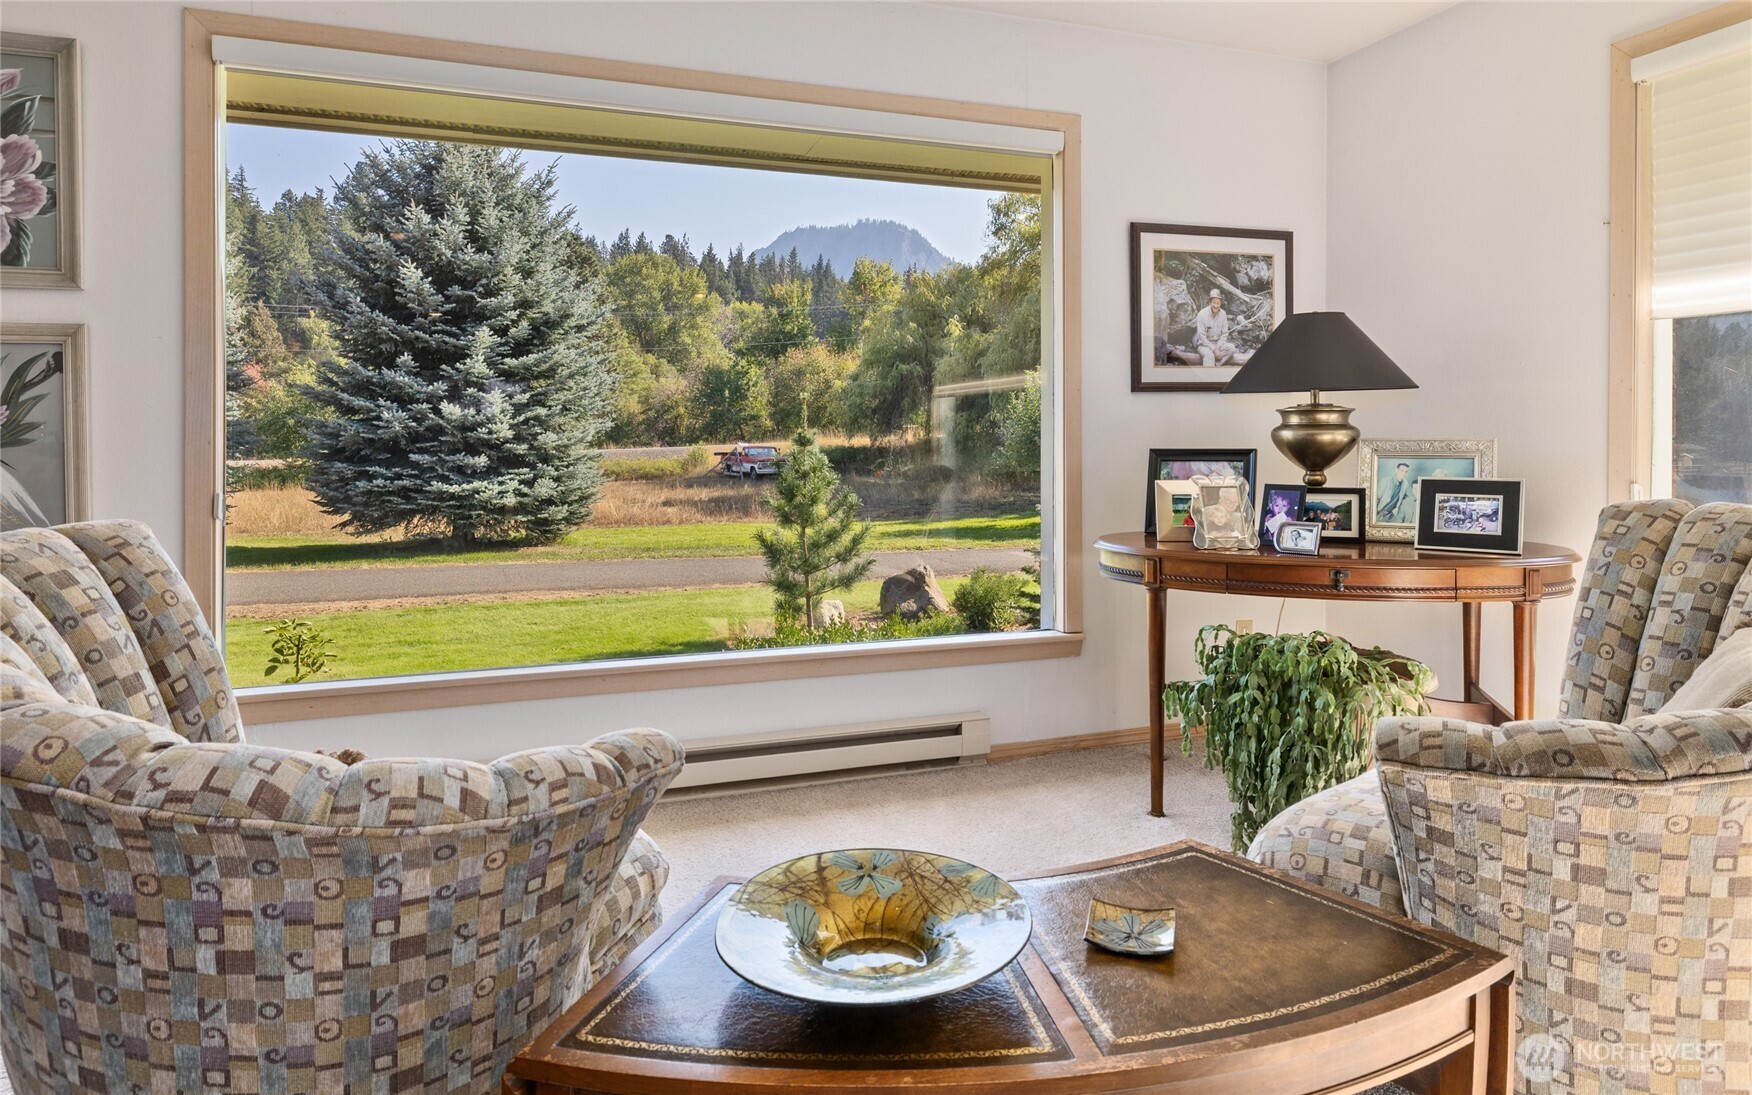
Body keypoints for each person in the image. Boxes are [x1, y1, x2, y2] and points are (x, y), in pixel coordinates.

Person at [1194, 289, 1238, 367]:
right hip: (1204, 345)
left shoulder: (1223, 314)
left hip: (1217, 343)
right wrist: (1214, 350)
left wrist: (1217, 347)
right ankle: (1208, 375)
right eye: (1214, 302)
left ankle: (1215, 365)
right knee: (1209, 356)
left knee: (1231, 348)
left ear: (1220, 303)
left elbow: (1224, 334)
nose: (1216, 305)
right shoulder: (1202, 314)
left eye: (1218, 303)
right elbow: (1201, 337)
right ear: (1210, 302)